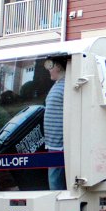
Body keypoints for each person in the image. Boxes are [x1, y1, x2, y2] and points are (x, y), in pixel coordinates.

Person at [43, 57, 66, 190]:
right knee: (54, 180)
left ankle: (57, 208)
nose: (49, 71)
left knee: (55, 182)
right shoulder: (59, 84)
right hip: (53, 144)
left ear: (58, 66)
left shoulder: (66, 85)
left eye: (51, 67)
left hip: (59, 145)